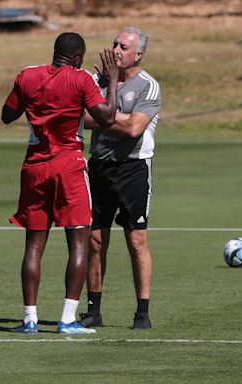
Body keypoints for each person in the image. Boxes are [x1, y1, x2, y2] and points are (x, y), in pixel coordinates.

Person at [1, 32, 119, 334]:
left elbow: (7, 115)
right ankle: (67, 319)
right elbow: (106, 118)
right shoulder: (81, 80)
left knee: (33, 245)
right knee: (78, 241)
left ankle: (29, 318)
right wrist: (113, 81)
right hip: (69, 165)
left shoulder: (27, 75)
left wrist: (34, 104)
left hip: (35, 166)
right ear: (78, 57)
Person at [78, 27, 162, 330]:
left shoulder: (148, 87)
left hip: (133, 169)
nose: (115, 50)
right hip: (99, 167)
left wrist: (105, 117)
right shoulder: (95, 82)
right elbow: (82, 119)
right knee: (95, 241)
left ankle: (142, 312)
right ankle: (94, 310)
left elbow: (133, 130)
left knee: (136, 240)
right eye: (114, 44)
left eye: (123, 47)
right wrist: (111, 115)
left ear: (137, 54)